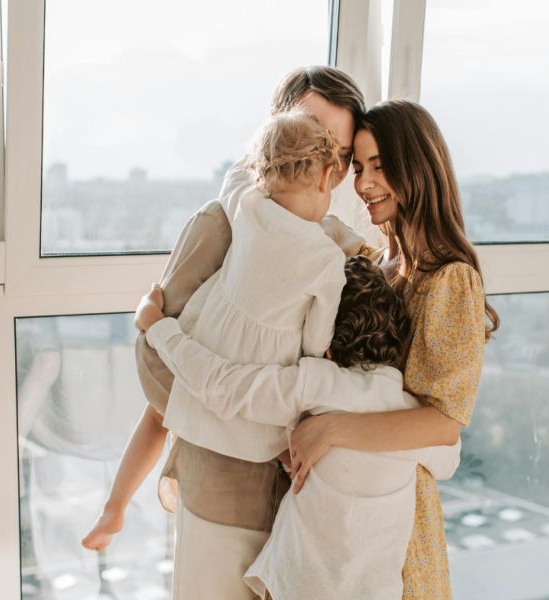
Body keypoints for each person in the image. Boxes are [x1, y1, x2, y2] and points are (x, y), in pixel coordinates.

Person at [84, 67, 371, 599]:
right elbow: (155, 356)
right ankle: (113, 508)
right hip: (223, 484)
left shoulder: (329, 246)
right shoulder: (224, 223)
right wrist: (244, 403)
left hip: (298, 491)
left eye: (338, 149)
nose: (322, 157)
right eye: (311, 131)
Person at [138, 255, 461, 600]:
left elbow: (222, 385)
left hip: (299, 588)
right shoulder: (410, 419)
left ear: (327, 341)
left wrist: (157, 327)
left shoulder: (316, 385)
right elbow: (449, 461)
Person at [288, 99, 500, 600]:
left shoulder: (450, 280)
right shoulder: (380, 266)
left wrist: (331, 429)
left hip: (399, 520)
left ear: (419, 167)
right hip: (346, 507)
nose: (362, 184)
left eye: (380, 167)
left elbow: (444, 422)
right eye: (358, 167)